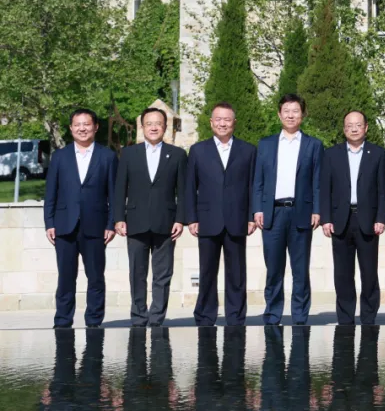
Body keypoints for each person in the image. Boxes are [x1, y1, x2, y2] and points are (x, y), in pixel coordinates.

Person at [113, 107, 188, 327]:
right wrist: (119, 218)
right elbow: (120, 189)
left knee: (162, 275)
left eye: (158, 124)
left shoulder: (177, 155)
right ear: (142, 127)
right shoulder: (129, 154)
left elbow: (183, 191)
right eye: (149, 124)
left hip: (166, 223)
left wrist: (180, 219)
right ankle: (138, 317)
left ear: (165, 127)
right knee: (137, 273)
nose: (153, 127)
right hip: (135, 222)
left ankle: (156, 319)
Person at [252, 93, 323, 326]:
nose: (291, 115)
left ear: (303, 114)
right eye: (286, 111)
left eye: (295, 111)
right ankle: (273, 314)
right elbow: (258, 181)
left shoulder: (314, 145)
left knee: (300, 269)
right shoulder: (266, 144)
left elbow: (317, 181)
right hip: (272, 213)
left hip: (301, 213)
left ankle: (300, 316)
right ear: (279, 114)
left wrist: (317, 210)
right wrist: (257, 209)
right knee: (274, 268)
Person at [44, 108, 118, 328]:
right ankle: (62, 321)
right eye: (77, 125)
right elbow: (51, 193)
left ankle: (94, 322)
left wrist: (111, 223)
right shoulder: (60, 156)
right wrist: (49, 223)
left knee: (95, 278)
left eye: (87, 124)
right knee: (66, 278)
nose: (82, 128)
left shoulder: (107, 156)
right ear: (71, 128)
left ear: (95, 127)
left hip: (96, 227)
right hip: (64, 226)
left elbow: (114, 194)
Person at [185, 102, 257, 326]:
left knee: (237, 273)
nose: (222, 123)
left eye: (227, 119)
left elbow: (253, 186)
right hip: (207, 219)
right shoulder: (198, 150)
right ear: (211, 122)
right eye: (218, 119)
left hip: (238, 219)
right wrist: (192, 218)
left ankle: (236, 317)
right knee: (207, 271)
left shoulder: (248, 150)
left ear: (234, 122)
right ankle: (205, 316)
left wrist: (251, 216)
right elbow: (189, 187)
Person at [320, 110, 385, 326]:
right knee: (342, 274)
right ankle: (345, 319)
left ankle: (369, 317)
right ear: (344, 129)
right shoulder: (331, 154)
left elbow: (383, 189)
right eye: (349, 125)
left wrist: (381, 218)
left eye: (358, 125)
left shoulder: (378, 153)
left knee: (369, 272)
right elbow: (325, 189)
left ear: (366, 127)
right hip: (340, 220)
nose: (354, 129)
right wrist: (326, 219)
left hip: (368, 220)